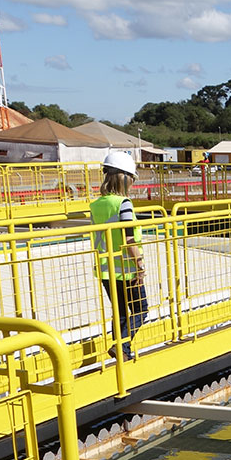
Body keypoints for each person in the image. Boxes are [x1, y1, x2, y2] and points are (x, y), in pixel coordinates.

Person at [90, 151, 148, 361]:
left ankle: (122, 350)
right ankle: (121, 346)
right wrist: (140, 265)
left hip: (106, 268)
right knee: (141, 310)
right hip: (126, 268)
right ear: (124, 178)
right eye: (131, 179)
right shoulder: (123, 203)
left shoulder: (96, 205)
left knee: (121, 312)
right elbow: (129, 238)